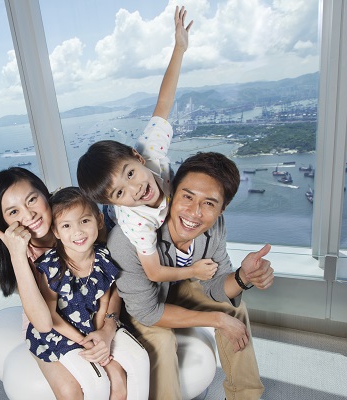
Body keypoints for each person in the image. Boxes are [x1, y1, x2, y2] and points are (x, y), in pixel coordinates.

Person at [107, 151, 275, 400]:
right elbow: (147, 312)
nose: (194, 213)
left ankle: (245, 396)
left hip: (175, 290)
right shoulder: (128, 239)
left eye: (209, 203)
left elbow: (217, 285)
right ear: (172, 192)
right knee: (162, 341)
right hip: (137, 307)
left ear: (222, 209)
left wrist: (243, 276)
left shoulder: (215, 227)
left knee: (234, 309)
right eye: (187, 197)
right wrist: (217, 320)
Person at [77, 6, 217, 287]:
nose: (135, 188)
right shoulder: (136, 223)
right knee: (110, 248)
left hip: (132, 199)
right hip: (118, 220)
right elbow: (153, 272)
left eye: (130, 173)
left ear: (137, 157)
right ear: (115, 201)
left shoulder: (149, 150)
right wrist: (193, 271)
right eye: (120, 192)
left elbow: (163, 102)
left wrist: (179, 48)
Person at [0, 168, 119, 399]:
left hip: (92, 315)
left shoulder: (78, 220)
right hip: (50, 328)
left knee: (117, 378)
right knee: (70, 391)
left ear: (44, 194)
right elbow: (43, 322)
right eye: (14, 211)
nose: (28, 215)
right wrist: (17, 255)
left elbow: (109, 279)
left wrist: (108, 327)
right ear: (5, 221)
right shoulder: (24, 255)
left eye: (32, 199)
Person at [26, 187, 150, 400]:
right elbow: (50, 316)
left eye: (84, 221)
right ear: (56, 232)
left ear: (99, 220)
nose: (78, 232)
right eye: (66, 225)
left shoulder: (102, 256)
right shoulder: (52, 266)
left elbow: (104, 299)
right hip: (62, 332)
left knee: (139, 359)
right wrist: (85, 341)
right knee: (97, 383)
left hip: (94, 325)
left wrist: (101, 335)